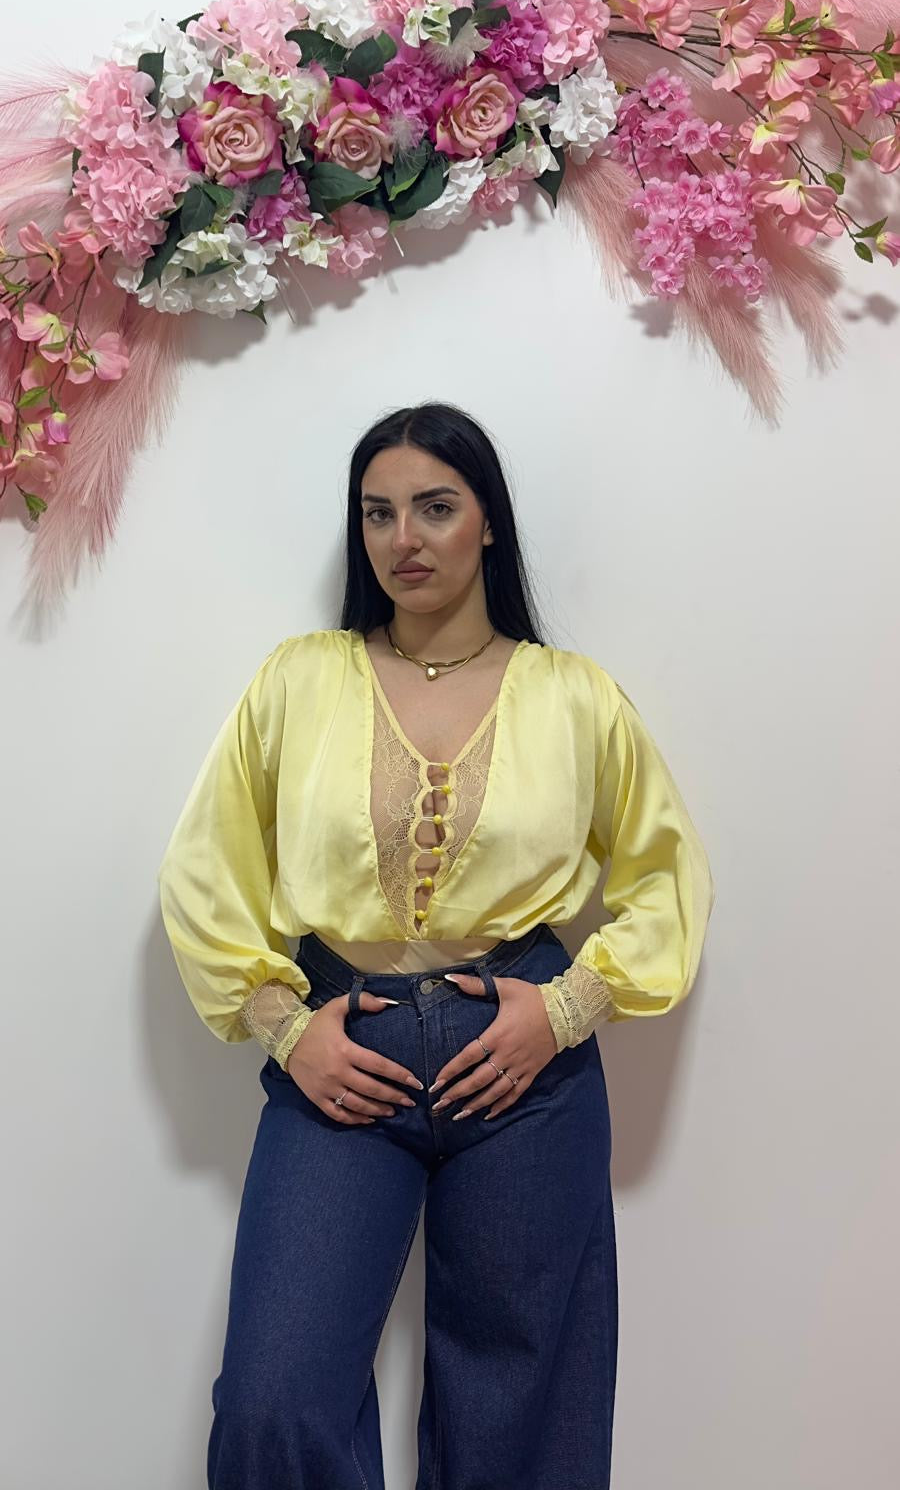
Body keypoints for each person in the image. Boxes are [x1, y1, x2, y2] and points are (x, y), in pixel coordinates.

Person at [157, 400, 716, 1490]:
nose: (402, 538)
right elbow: (204, 868)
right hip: (341, 1052)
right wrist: (285, 1029)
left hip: (522, 1058)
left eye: (435, 507)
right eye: (377, 513)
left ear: (487, 521)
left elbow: (668, 878)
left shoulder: (574, 697)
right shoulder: (300, 680)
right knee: (275, 1398)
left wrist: (565, 1010)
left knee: (522, 1406)